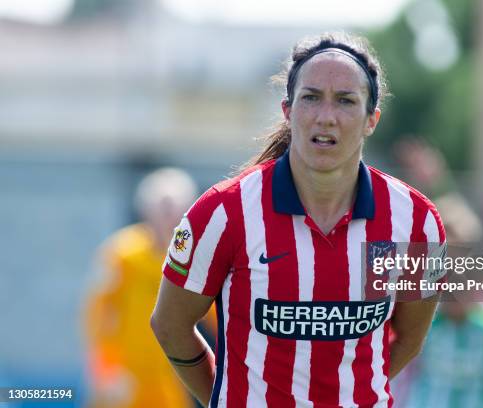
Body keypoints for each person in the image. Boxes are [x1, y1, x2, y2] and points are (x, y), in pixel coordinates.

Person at [150, 32, 447, 407]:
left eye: (345, 101)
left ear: (372, 119)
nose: (326, 117)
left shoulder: (419, 222)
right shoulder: (223, 212)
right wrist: (224, 397)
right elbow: (170, 325)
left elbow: (408, 339)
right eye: (311, 98)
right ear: (288, 111)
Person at [84, 167, 217, 408]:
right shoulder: (122, 253)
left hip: (171, 377)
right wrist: (106, 371)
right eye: (163, 207)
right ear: (146, 209)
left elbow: (214, 316)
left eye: (175, 207)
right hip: (125, 378)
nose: (169, 215)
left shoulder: (190, 258)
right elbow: (98, 316)